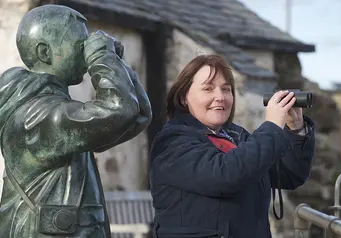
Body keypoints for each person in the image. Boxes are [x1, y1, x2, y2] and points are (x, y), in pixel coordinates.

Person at [0, 4, 152, 238]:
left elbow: (137, 115)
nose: (86, 52)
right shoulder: (37, 116)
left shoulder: (51, 107)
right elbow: (119, 110)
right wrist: (102, 57)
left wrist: (116, 63)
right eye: (80, 44)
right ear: (45, 53)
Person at [149, 54, 315, 238]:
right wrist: (273, 127)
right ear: (183, 98)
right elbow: (225, 175)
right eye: (208, 89)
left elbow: (289, 175)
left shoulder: (237, 136)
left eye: (226, 89)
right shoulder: (172, 142)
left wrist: (296, 129)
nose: (220, 97)